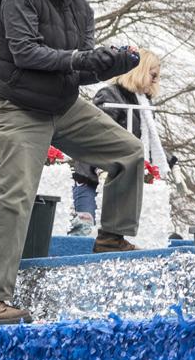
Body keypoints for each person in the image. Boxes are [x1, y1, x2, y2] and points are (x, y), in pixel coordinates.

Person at [0, 0, 145, 325]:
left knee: (129, 151)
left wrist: (112, 63)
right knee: (15, 195)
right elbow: (25, 52)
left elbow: (81, 67)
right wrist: (82, 58)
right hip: (19, 107)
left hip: (64, 105)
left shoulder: (82, 10)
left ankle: (111, 237)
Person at [69, 50, 175, 236]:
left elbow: (147, 140)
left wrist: (170, 161)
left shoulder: (145, 103)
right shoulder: (109, 95)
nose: (156, 80)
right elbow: (98, 135)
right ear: (141, 70)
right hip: (92, 176)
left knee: (117, 233)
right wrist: (103, 166)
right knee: (86, 231)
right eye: (153, 74)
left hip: (121, 175)